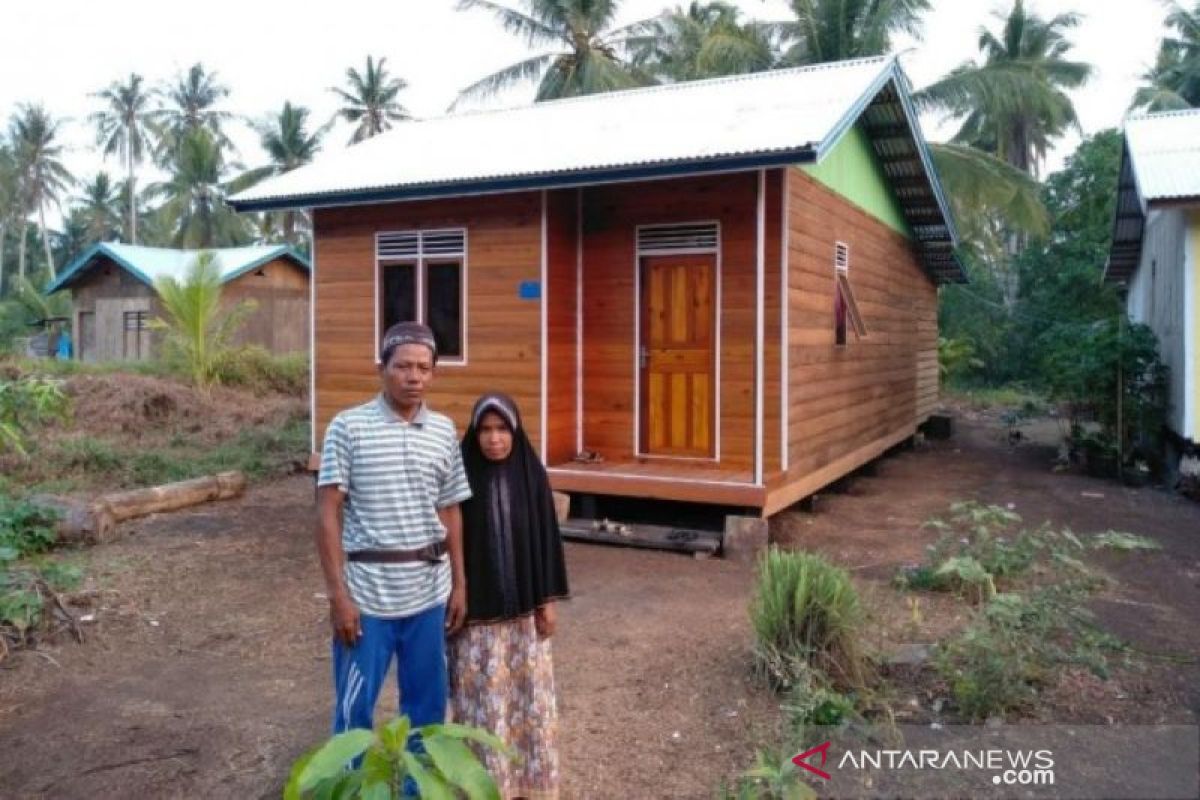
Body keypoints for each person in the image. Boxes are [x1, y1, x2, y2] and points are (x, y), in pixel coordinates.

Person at [315, 321, 472, 739]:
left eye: (423, 367)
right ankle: (348, 786)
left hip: (429, 593)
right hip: (368, 595)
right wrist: (338, 596)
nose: (414, 377)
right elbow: (328, 512)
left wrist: (459, 584)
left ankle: (416, 789)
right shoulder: (348, 428)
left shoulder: (442, 431)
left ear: (434, 373)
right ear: (382, 368)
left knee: (427, 708)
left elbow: (451, 508)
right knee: (355, 709)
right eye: (403, 366)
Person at [450, 393, 570, 800]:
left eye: (502, 429)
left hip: (523, 621)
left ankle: (529, 784)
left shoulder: (530, 475)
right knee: (482, 704)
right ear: (473, 433)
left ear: (515, 432)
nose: (493, 438)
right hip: (476, 621)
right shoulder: (460, 475)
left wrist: (547, 600)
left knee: (528, 700)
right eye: (484, 429)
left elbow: (546, 540)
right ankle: (486, 785)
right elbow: (449, 540)